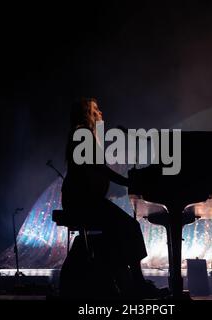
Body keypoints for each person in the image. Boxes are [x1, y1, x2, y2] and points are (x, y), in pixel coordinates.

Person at [61, 97, 164, 298]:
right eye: (96, 109)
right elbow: (99, 169)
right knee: (130, 228)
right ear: (86, 113)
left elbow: (93, 172)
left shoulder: (82, 134)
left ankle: (125, 284)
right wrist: (127, 182)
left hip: (83, 200)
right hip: (82, 202)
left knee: (116, 233)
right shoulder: (83, 134)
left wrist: (119, 186)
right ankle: (137, 283)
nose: (100, 112)